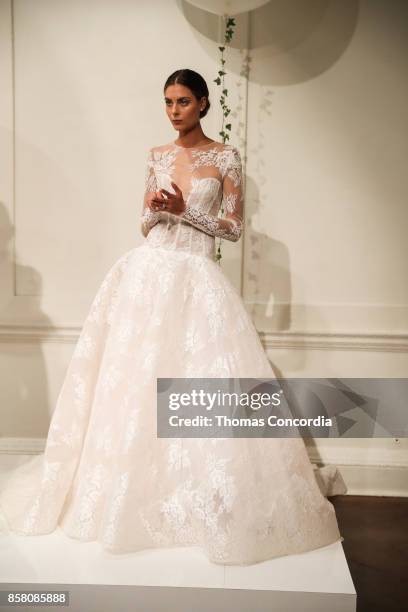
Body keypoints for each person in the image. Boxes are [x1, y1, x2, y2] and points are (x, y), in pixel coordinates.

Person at [0, 69, 346, 565]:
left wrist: (187, 211)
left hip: (196, 277)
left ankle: (199, 490)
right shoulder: (156, 157)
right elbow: (143, 222)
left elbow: (232, 228)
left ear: (204, 104)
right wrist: (160, 208)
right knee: (137, 381)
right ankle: (130, 487)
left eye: (183, 101)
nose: (173, 110)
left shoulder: (225, 156)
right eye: (167, 102)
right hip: (148, 274)